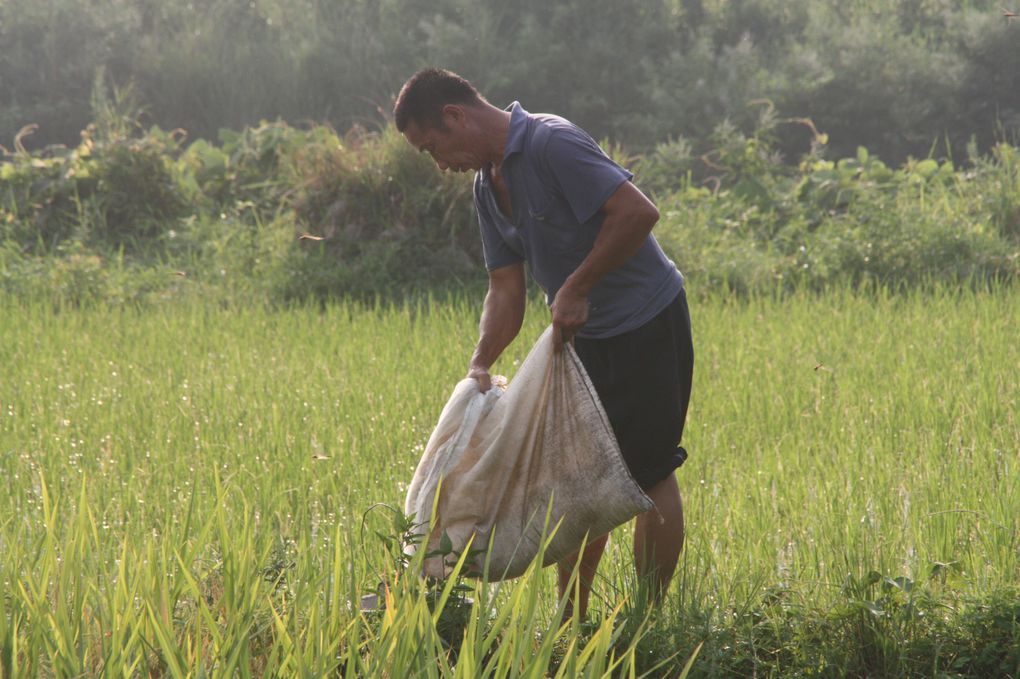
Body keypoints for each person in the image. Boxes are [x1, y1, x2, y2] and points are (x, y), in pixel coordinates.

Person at [393, 68, 694, 619]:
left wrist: (576, 286)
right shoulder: (488, 188)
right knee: (579, 479)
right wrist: (481, 364)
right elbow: (505, 291)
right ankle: (573, 621)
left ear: (455, 116)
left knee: (650, 472)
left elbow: (638, 212)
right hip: (579, 336)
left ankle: (646, 621)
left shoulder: (551, 141)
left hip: (645, 320)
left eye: (433, 148)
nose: (440, 165)